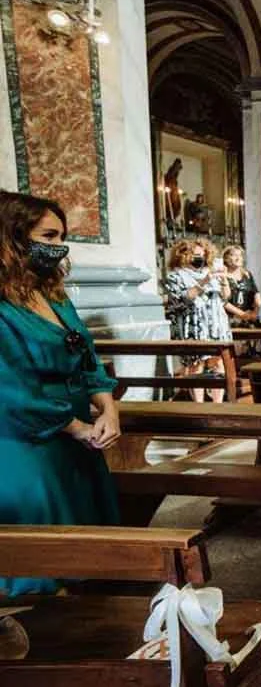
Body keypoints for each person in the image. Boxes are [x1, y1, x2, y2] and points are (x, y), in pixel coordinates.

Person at [0, 192, 120, 598]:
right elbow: (8, 388)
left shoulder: (52, 292)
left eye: (61, 236)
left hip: (77, 442)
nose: (58, 246)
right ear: (13, 237)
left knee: (88, 560)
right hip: (29, 445)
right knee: (42, 570)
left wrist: (108, 407)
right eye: (48, 236)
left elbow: (85, 353)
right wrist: (73, 426)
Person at [164, 238, 232, 403]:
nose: (199, 258)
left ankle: (218, 405)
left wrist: (224, 281)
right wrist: (204, 281)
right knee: (196, 366)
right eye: (195, 255)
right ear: (183, 255)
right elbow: (182, 299)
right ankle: (198, 405)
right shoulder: (176, 276)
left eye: (202, 255)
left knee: (218, 364)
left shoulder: (210, 271)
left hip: (216, 325)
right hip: (193, 326)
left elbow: (226, 298)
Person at [222, 245, 260, 327]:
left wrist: (255, 312)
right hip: (230, 320)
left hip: (249, 319)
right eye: (234, 255)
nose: (238, 258)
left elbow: (256, 293)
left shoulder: (247, 275)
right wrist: (241, 314)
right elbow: (223, 300)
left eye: (240, 255)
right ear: (226, 258)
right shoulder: (222, 276)